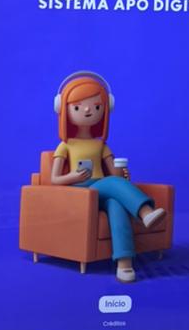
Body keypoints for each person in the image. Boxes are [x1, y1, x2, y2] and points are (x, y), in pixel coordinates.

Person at [52, 75, 165, 283]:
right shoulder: (65, 145)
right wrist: (73, 176)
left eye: (96, 107)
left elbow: (114, 175)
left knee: (116, 205)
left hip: (104, 189)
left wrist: (123, 174)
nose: (88, 111)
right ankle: (145, 212)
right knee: (113, 185)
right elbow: (54, 179)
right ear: (63, 109)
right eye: (78, 107)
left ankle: (124, 264)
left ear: (106, 109)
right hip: (81, 192)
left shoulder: (101, 145)